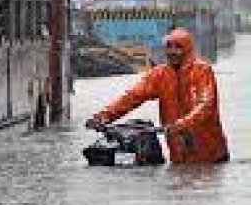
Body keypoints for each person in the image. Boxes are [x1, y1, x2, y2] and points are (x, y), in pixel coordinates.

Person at [86, 27, 229, 164]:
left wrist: (182, 124)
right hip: (178, 155)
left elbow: (206, 105)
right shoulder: (159, 75)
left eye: (178, 47)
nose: (173, 51)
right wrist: (103, 117)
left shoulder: (202, 71)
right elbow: (132, 97)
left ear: (188, 49)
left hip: (212, 156)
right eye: (169, 46)